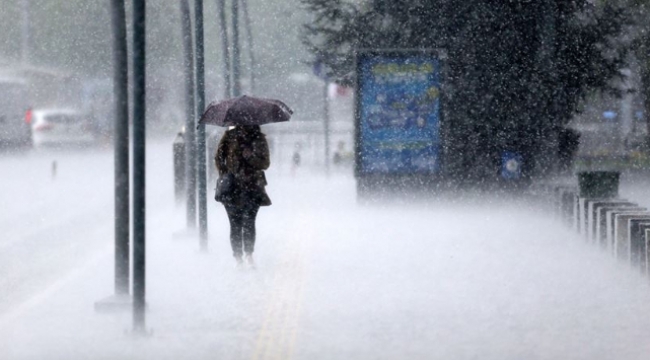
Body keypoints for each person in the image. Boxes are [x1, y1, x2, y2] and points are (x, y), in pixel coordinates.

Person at [215, 125, 271, 268]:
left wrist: (250, 157)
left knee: (249, 222)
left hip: (252, 187)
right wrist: (226, 173)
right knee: (235, 223)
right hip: (232, 188)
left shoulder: (259, 138)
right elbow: (218, 157)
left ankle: (249, 254)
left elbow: (265, 163)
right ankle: (238, 257)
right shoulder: (229, 136)